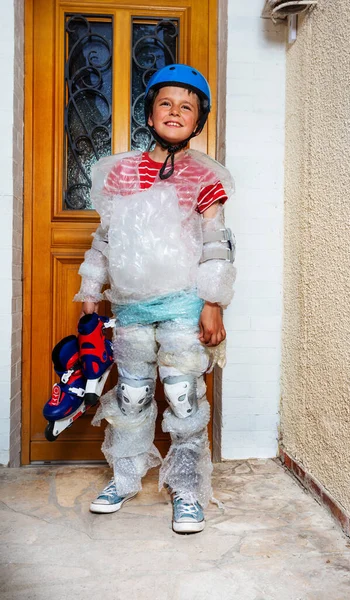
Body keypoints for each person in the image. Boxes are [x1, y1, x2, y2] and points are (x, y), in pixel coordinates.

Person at [74, 64, 236, 533]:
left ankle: (187, 490)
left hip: (184, 303)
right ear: (149, 113)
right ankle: (124, 478)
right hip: (130, 306)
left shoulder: (204, 178)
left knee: (183, 397)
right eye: (166, 103)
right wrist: (90, 287)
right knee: (132, 394)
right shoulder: (122, 173)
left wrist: (212, 303)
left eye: (187, 107)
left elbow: (216, 245)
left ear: (197, 121)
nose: (175, 112)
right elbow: (106, 237)